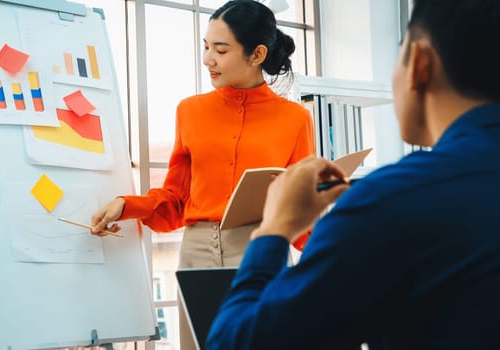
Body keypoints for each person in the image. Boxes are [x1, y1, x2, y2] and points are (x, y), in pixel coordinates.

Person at [207, 0, 500, 349]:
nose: (209, 58)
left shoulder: (392, 201)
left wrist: (274, 229)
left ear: (419, 63)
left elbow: (236, 343)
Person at [90, 0, 314, 348]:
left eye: (220, 50)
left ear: (256, 54)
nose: (208, 59)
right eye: (206, 47)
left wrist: (339, 250)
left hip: (261, 251)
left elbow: (302, 209)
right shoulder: (190, 112)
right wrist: (125, 205)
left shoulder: (295, 119)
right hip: (196, 254)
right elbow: (176, 198)